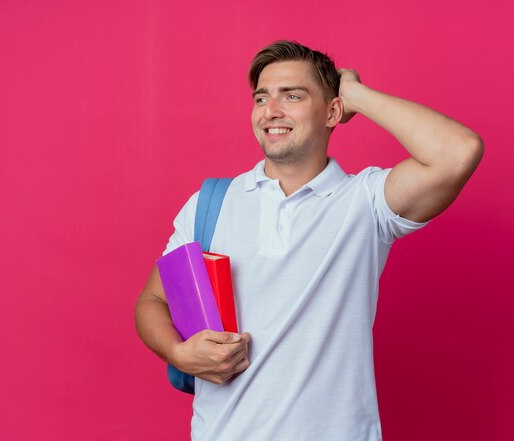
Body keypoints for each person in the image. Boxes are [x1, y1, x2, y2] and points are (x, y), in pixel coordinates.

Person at [135, 40, 483, 440]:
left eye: (292, 96)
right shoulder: (209, 203)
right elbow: (153, 301)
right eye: (262, 98)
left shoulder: (366, 202)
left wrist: (355, 93)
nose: (271, 111)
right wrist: (179, 353)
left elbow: (459, 152)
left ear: (333, 111)